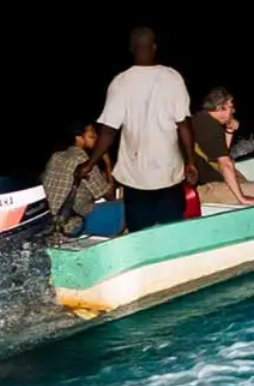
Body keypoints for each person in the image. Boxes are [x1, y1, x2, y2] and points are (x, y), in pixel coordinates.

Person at [76, 27, 199, 233]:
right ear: (154, 47)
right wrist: (191, 162)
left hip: (135, 176)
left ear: (132, 49)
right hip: (168, 173)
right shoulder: (172, 78)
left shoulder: (121, 82)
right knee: (171, 231)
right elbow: (184, 125)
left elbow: (108, 131)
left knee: (140, 233)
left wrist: (90, 163)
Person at [42, 119, 123, 238]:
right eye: (92, 135)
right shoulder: (85, 162)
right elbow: (110, 196)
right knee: (126, 206)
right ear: (79, 138)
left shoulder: (56, 156)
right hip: (72, 223)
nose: (96, 138)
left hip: (50, 222)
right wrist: (108, 164)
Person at [190, 87, 254, 205]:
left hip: (212, 177)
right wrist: (242, 198)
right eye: (231, 106)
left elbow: (220, 153)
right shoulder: (212, 128)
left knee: (240, 179)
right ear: (220, 108)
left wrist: (229, 130)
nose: (234, 111)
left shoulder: (201, 119)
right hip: (203, 189)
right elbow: (225, 164)